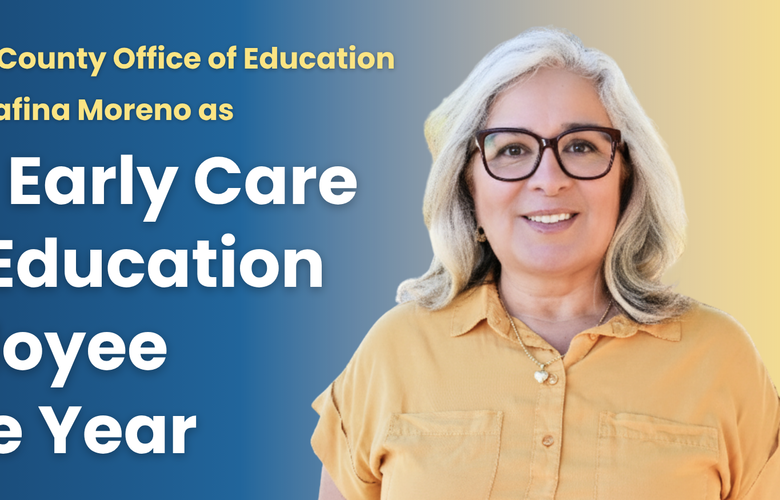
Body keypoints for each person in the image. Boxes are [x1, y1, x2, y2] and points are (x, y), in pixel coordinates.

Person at [311, 27, 780, 499]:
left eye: (581, 146)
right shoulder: (395, 352)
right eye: (512, 149)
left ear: (626, 176)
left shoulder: (721, 359)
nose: (549, 180)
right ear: (468, 184)